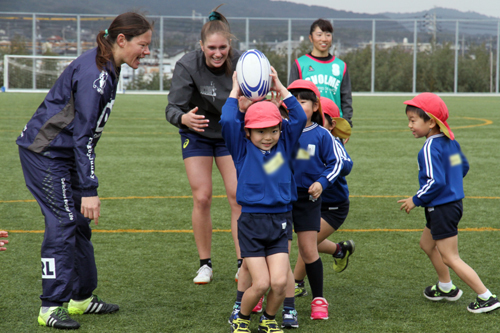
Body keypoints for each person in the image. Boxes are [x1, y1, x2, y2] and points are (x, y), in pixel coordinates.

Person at [16, 12, 153, 329]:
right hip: (46, 154)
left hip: (64, 155)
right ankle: (50, 307)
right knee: (63, 222)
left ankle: (81, 299)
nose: (146, 51)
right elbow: (83, 137)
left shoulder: (109, 65)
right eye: (143, 45)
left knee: (78, 224)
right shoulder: (97, 74)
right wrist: (89, 190)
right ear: (122, 40)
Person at [221, 68, 307, 333]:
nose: (267, 137)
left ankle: (268, 318)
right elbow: (227, 121)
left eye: (272, 130)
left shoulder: (285, 145)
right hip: (252, 223)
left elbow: (300, 116)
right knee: (260, 284)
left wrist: (280, 87)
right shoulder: (241, 150)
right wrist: (235, 89)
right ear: (247, 133)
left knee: (280, 282)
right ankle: (242, 318)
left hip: (281, 220)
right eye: (259, 132)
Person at [397, 92, 500, 314]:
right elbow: (462, 167)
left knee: (450, 257)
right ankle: (446, 287)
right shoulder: (450, 142)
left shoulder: (429, 148)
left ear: (431, 122)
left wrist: (415, 199)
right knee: (427, 244)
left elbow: (435, 181)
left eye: (413, 120)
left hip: (442, 208)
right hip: (451, 205)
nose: (409, 125)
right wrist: (451, 185)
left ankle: (486, 297)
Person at [164, 5, 242, 284]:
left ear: (229, 44)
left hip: (231, 134)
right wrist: (184, 118)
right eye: (211, 48)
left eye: (223, 47)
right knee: (202, 196)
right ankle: (205, 264)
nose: (218, 53)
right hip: (196, 133)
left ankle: (243, 263)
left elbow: (261, 98)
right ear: (201, 46)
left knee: (237, 196)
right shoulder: (187, 65)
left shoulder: (242, 63)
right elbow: (171, 108)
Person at [287, 79, 344, 320]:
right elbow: (270, 160)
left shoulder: (322, 135)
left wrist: (321, 182)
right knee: (278, 250)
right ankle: (280, 300)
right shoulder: (281, 130)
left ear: (315, 106)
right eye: (293, 101)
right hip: (281, 198)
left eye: (304, 101)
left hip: (308, 200)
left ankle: (318, 300)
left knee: (308, 250)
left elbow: (337, 162)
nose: (299, 106)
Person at [293, 97, 354, 299]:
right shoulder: (305, 138)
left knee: (307, 245)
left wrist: (325, 173)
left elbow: (345, 164)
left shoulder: (329, 140)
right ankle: (339, 250)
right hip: (310, 204)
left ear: (331, 124)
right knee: (309, 242)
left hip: (332, 208)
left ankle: (296, 283)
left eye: (320, 120)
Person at [288, 18, 354, 132]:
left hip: (333, 125)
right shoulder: (300, 64)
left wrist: (346, 124)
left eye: (328, 35)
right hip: (306, 124)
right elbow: (291, 97)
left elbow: (346, 99)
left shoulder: (340, 65)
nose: (324, 39)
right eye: (319, 35)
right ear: (311, 38)